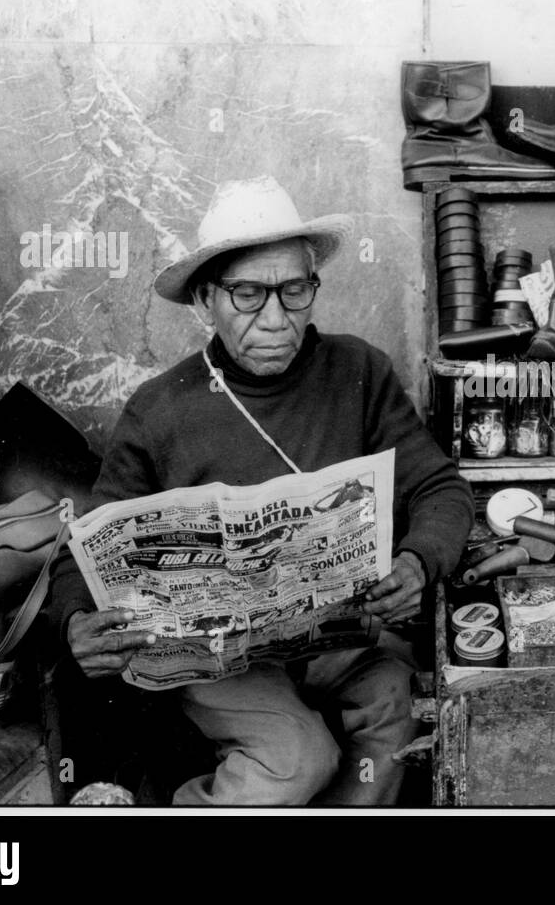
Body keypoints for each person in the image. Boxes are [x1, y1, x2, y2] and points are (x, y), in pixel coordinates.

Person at [45, 175, 474, 803]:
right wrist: (77, 620)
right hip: (221, 658)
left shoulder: (359, 372)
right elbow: (80, 554)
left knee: (397, 705)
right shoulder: (160, 410)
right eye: (247, 293)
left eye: (294, 290)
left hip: (340, 638)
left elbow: (439, 487)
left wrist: (418, 561)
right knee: (297, 757)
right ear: (205, 300)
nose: (275, 318)